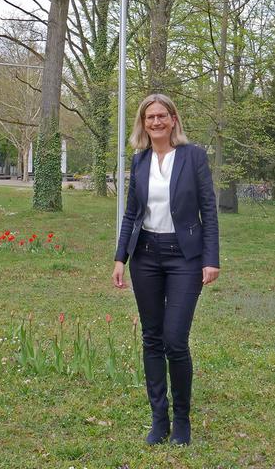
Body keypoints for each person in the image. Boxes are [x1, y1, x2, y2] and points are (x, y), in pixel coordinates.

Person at [112, 94, 219, 446]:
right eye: (149, 117)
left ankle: (182, 419)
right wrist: (120, 258)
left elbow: (209, 210)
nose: (156, 122)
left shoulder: (193, 157)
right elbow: (131, 214)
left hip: (184, 257)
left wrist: (210, 258)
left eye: (162, 116)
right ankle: (159, 419)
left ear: (173, 120)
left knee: (175, 340)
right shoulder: (139, 161)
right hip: (146, 256)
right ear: (143, 124)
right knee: (152, 338)